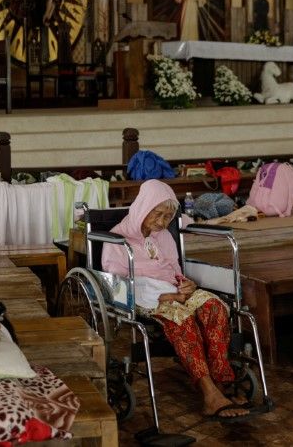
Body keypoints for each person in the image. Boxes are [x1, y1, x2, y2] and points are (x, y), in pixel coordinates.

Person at [101, 180, 250, 421]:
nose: (162, 222)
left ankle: (221, 383)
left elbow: (174, 270)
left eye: (168, 217)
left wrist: (185, 282)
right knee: (182, 319)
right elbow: (118, 285)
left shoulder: (163, 236)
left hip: (174, 290)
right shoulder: (117, 240)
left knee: (214, 307)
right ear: (143, 207)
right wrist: (165, 296)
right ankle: (209, 395)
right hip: (147, 298)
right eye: (157, 214)